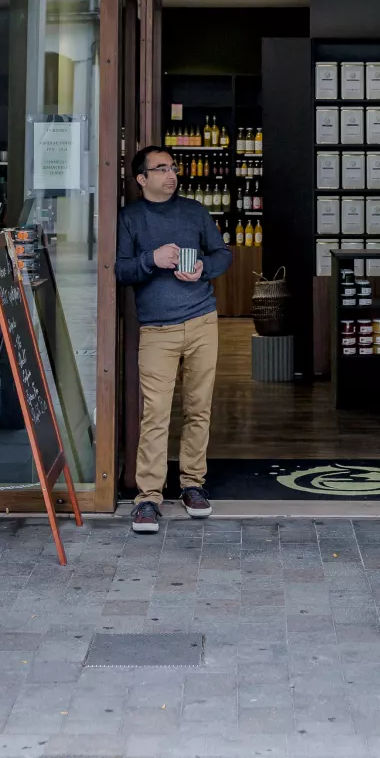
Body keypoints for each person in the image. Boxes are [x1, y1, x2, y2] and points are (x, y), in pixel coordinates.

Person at [116, 145, 233, 532]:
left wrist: (202, 268)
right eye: (161, 168)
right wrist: (153, 260)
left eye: (173, 167)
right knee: (156, 413)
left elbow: (222, 254)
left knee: (199, 408)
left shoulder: (195, 213)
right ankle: (148, 496)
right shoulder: (129, 218)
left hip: (202, 321)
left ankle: (192, 484)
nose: (171, 174)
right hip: (157, 329)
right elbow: (120, 269)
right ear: (141, 179)